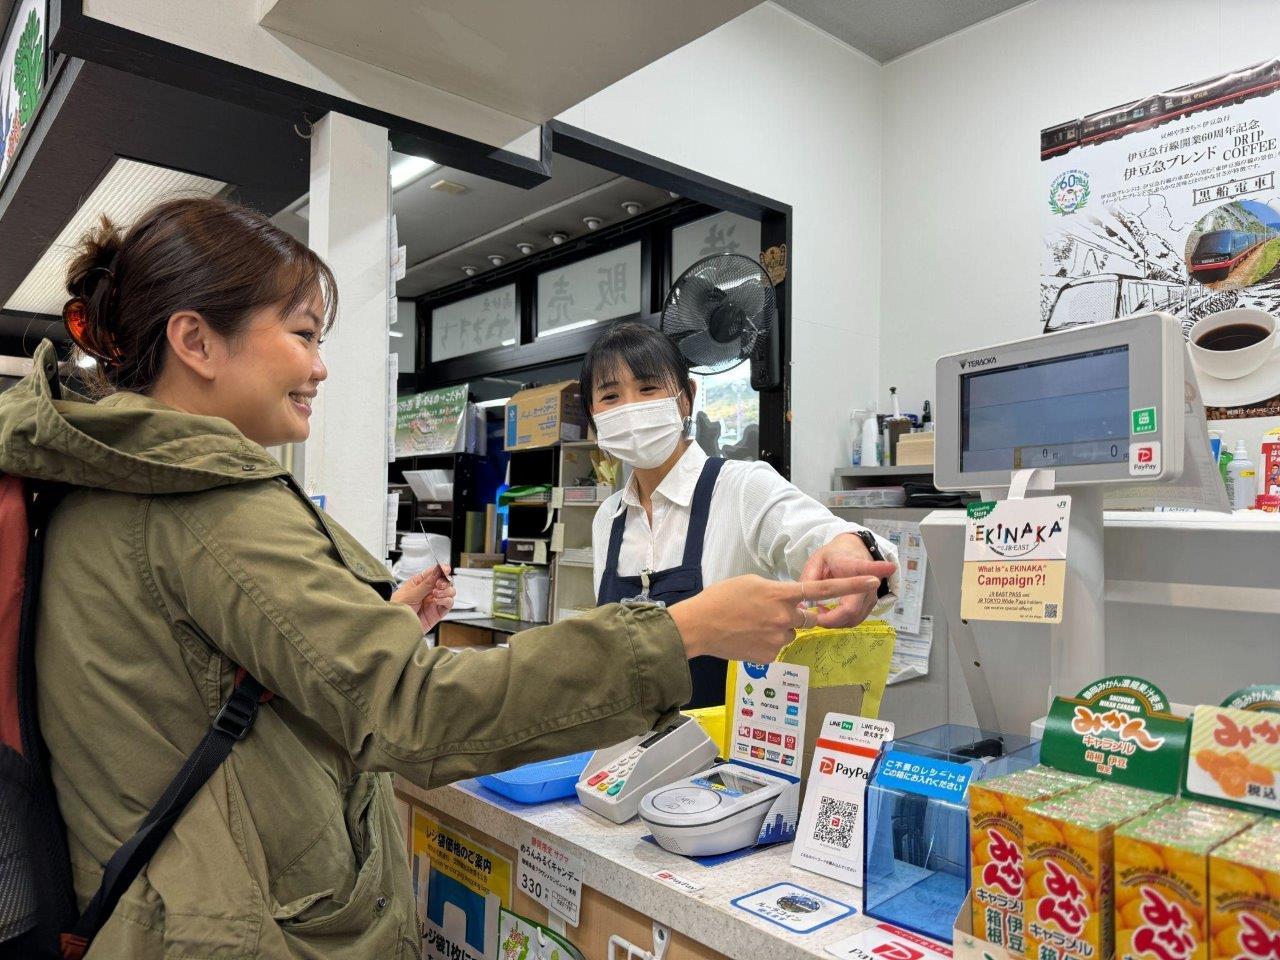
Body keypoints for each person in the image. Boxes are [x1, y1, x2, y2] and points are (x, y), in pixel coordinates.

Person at [0, 198, 880, 959]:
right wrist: (687, 631)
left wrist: (842, 545)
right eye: (303, 333)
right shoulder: (198, 501)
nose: (320, 365)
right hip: (243, 923)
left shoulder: (107, 481)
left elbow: (201, 671)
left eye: (644, 389)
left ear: (688, 398)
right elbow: (410, 713)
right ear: (194, 339)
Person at [583, 322, 900, 707]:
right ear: (594, 417)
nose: (632, 409)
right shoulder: (607, 518)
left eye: (648, 389)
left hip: (730, 754)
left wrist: (850, 547)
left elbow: (823, 534)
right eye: (611, 396)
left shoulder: (741, 487)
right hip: (627, 752)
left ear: (687, 398)